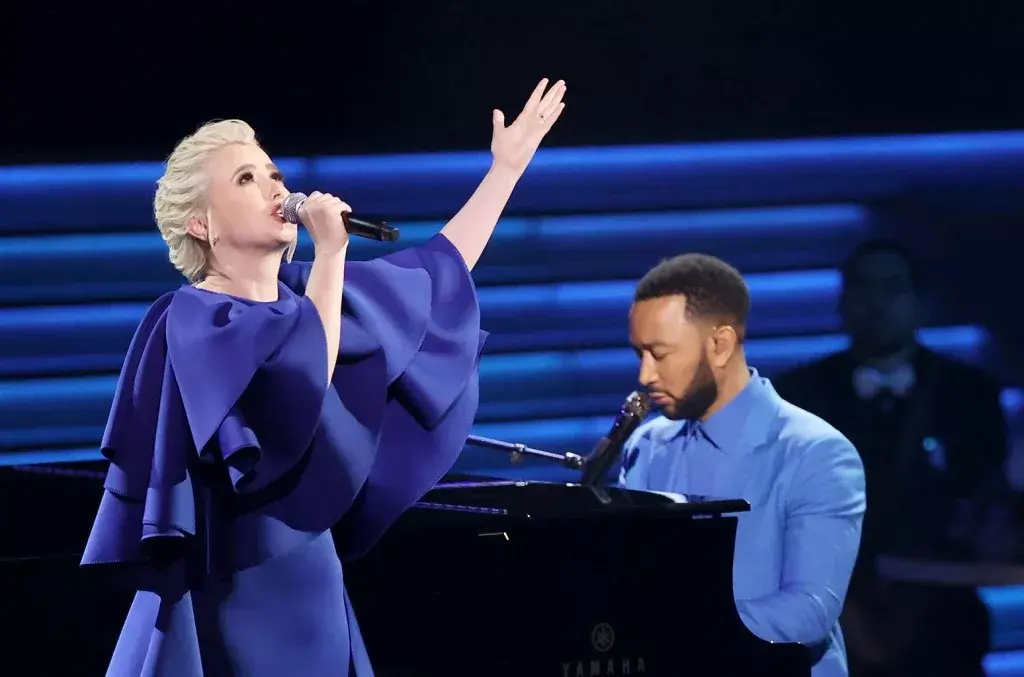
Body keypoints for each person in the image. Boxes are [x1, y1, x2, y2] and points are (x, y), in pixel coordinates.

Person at [79, 78, 566, 676]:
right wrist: (332, 256)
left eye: (273, 173)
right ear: (202, 225)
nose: (276, 188)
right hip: (233, 601)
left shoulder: (308, 296)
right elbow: (298, 383)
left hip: (314, 586)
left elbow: (435, 272)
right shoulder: (191, 318)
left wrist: (505, 171)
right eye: (246, 179)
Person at [619, 253, 866, 677]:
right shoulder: (646, 445)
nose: (645, 375)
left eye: (659, 354)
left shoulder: (816, 452)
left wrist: (676, 630)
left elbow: (810, 609)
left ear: (721, 345)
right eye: (639, 354)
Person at [773, 238, 1009, 677]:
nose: (876, 302)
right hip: (834, 624)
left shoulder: (970, 394)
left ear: (920, 303)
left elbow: (988, 500)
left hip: (945, 621)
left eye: (892, 288)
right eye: (863, 288)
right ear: (842, 303)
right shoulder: (797, 396)